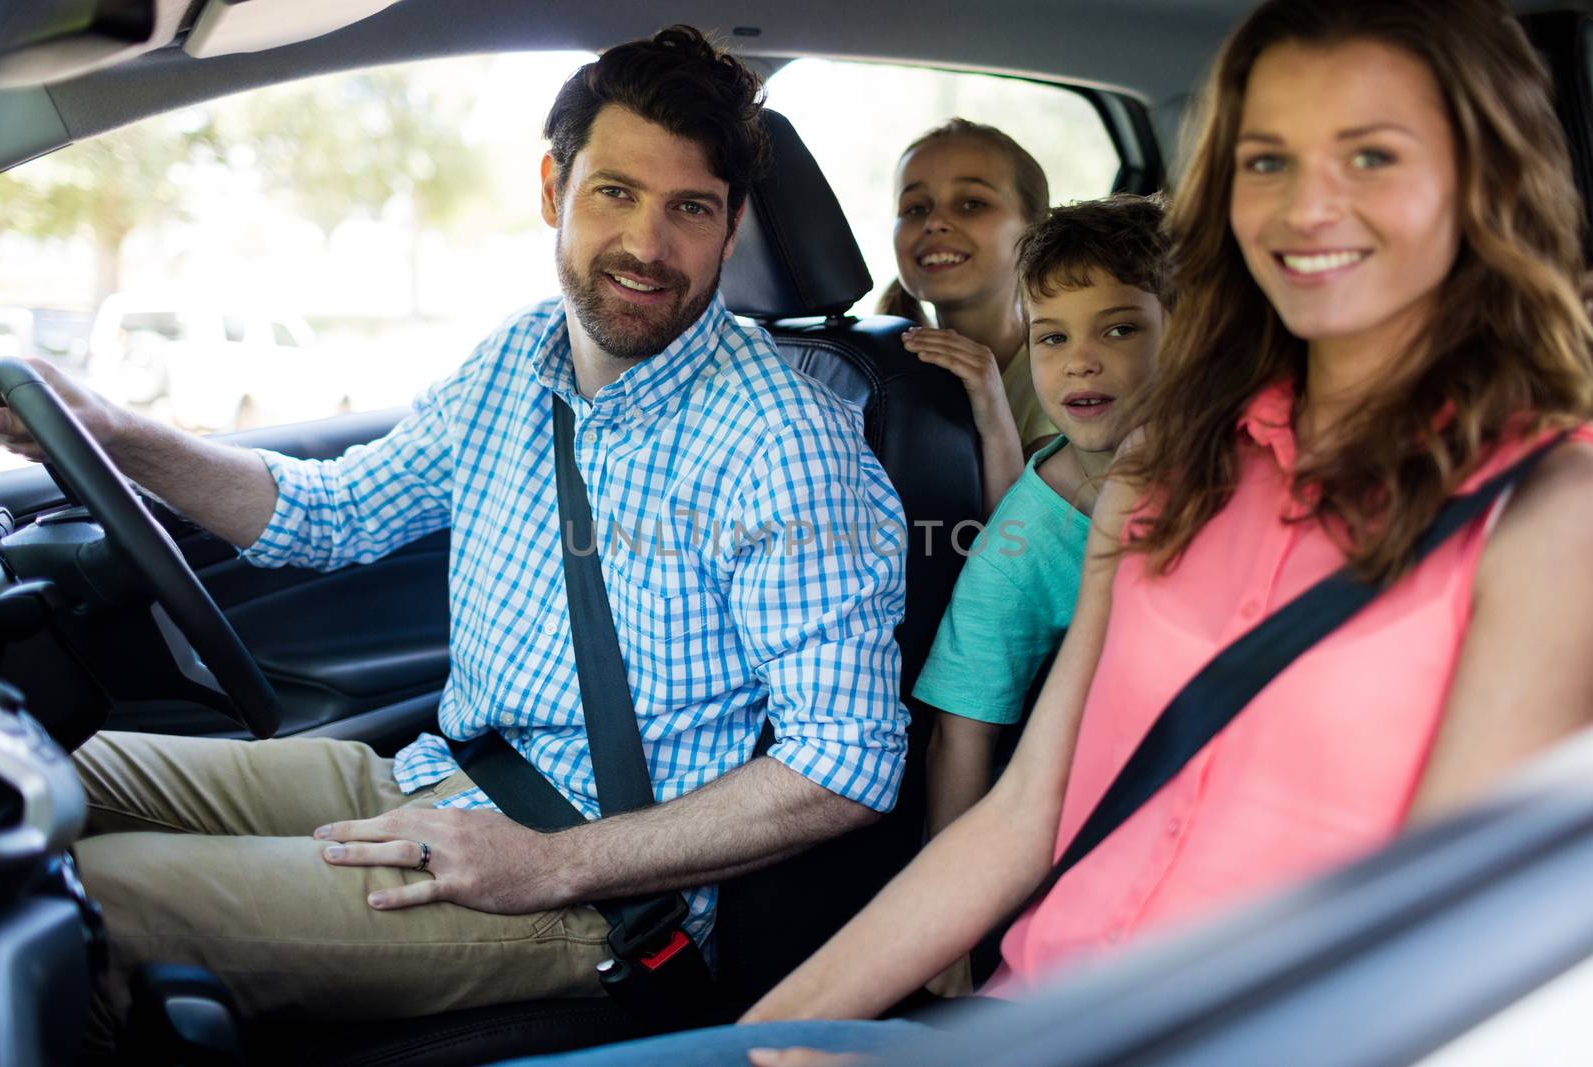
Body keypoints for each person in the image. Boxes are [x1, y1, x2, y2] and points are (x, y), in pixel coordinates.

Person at [503, 0, 1593, 1063]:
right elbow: (1025, 812)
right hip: (1024, 1010)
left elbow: (1437, 962)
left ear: (1480, 183)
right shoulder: (1163, 477)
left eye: (1370, 157)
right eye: (1267, 161)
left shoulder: (1547, 518)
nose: (1307, 205)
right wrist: (768, 1035)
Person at [0, 27, 912, 1044]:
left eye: (688, 208)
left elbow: (845, 764)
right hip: (431, 777)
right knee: (39, 776)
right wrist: (112, 432)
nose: (648, 246)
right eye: (615, 192)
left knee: (79, 892)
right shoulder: (519, 357)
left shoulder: (783, 442)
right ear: (552, 189)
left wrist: (551, 863)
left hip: (588, 889)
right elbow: (327, 514)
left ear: (731, 226)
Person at [917, 193, 1168, 844]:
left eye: (1119, 328)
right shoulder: (1027, 538)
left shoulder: (1258, 451)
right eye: (1052, 336)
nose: (1079, 359)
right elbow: (961, 733)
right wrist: (953, 939)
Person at [881, 120, 1055, 514]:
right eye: (915, 208)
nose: (934, 222)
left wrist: (993, 413)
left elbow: (1028, 549)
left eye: (971, 203)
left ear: (1034, 230)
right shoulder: (880, 371)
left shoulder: (1063, 376)